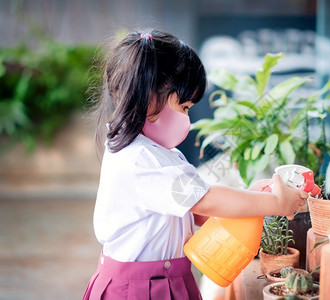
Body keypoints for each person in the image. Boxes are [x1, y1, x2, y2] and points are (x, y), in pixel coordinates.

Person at [82, 29, 307, 300]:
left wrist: (256, 198)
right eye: (185, 107)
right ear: (150, 96)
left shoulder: (158, 153)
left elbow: (194, 211)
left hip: (163, 280)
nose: (187, 118)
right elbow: (204, 201)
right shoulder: (141, 160)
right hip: (140, 289)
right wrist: (277, 204)